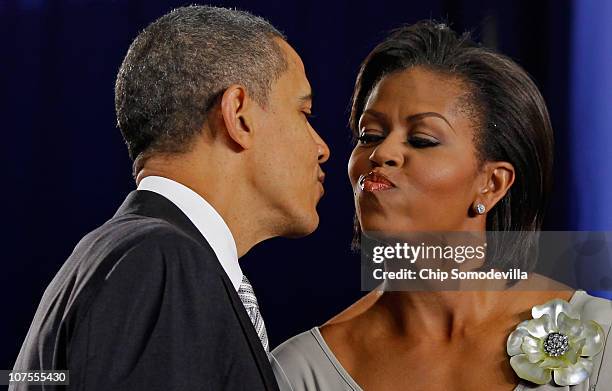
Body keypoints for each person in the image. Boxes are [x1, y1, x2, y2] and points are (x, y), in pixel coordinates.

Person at [270, 22, 612, 390]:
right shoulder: (299, 371)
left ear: (491, 184)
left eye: (421, 140)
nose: (380, 153)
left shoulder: (603, 340)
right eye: (370, 135)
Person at [12, 5, 329, 390]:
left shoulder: (125, 255)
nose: (321, 147)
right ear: (239, 115)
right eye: (305, 112)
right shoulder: (162, 262)